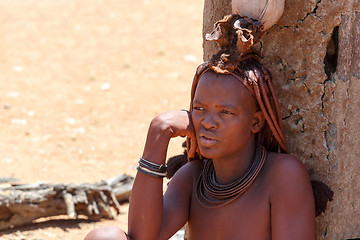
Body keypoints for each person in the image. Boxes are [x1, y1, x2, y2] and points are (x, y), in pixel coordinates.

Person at [84, 15, 316, 240]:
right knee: (104, 237)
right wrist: (158, 131)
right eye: (200, 109)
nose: (208, 122)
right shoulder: (193, 177)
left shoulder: (282, 175)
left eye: (226, 112)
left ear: (255, 122)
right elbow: (143, 237)